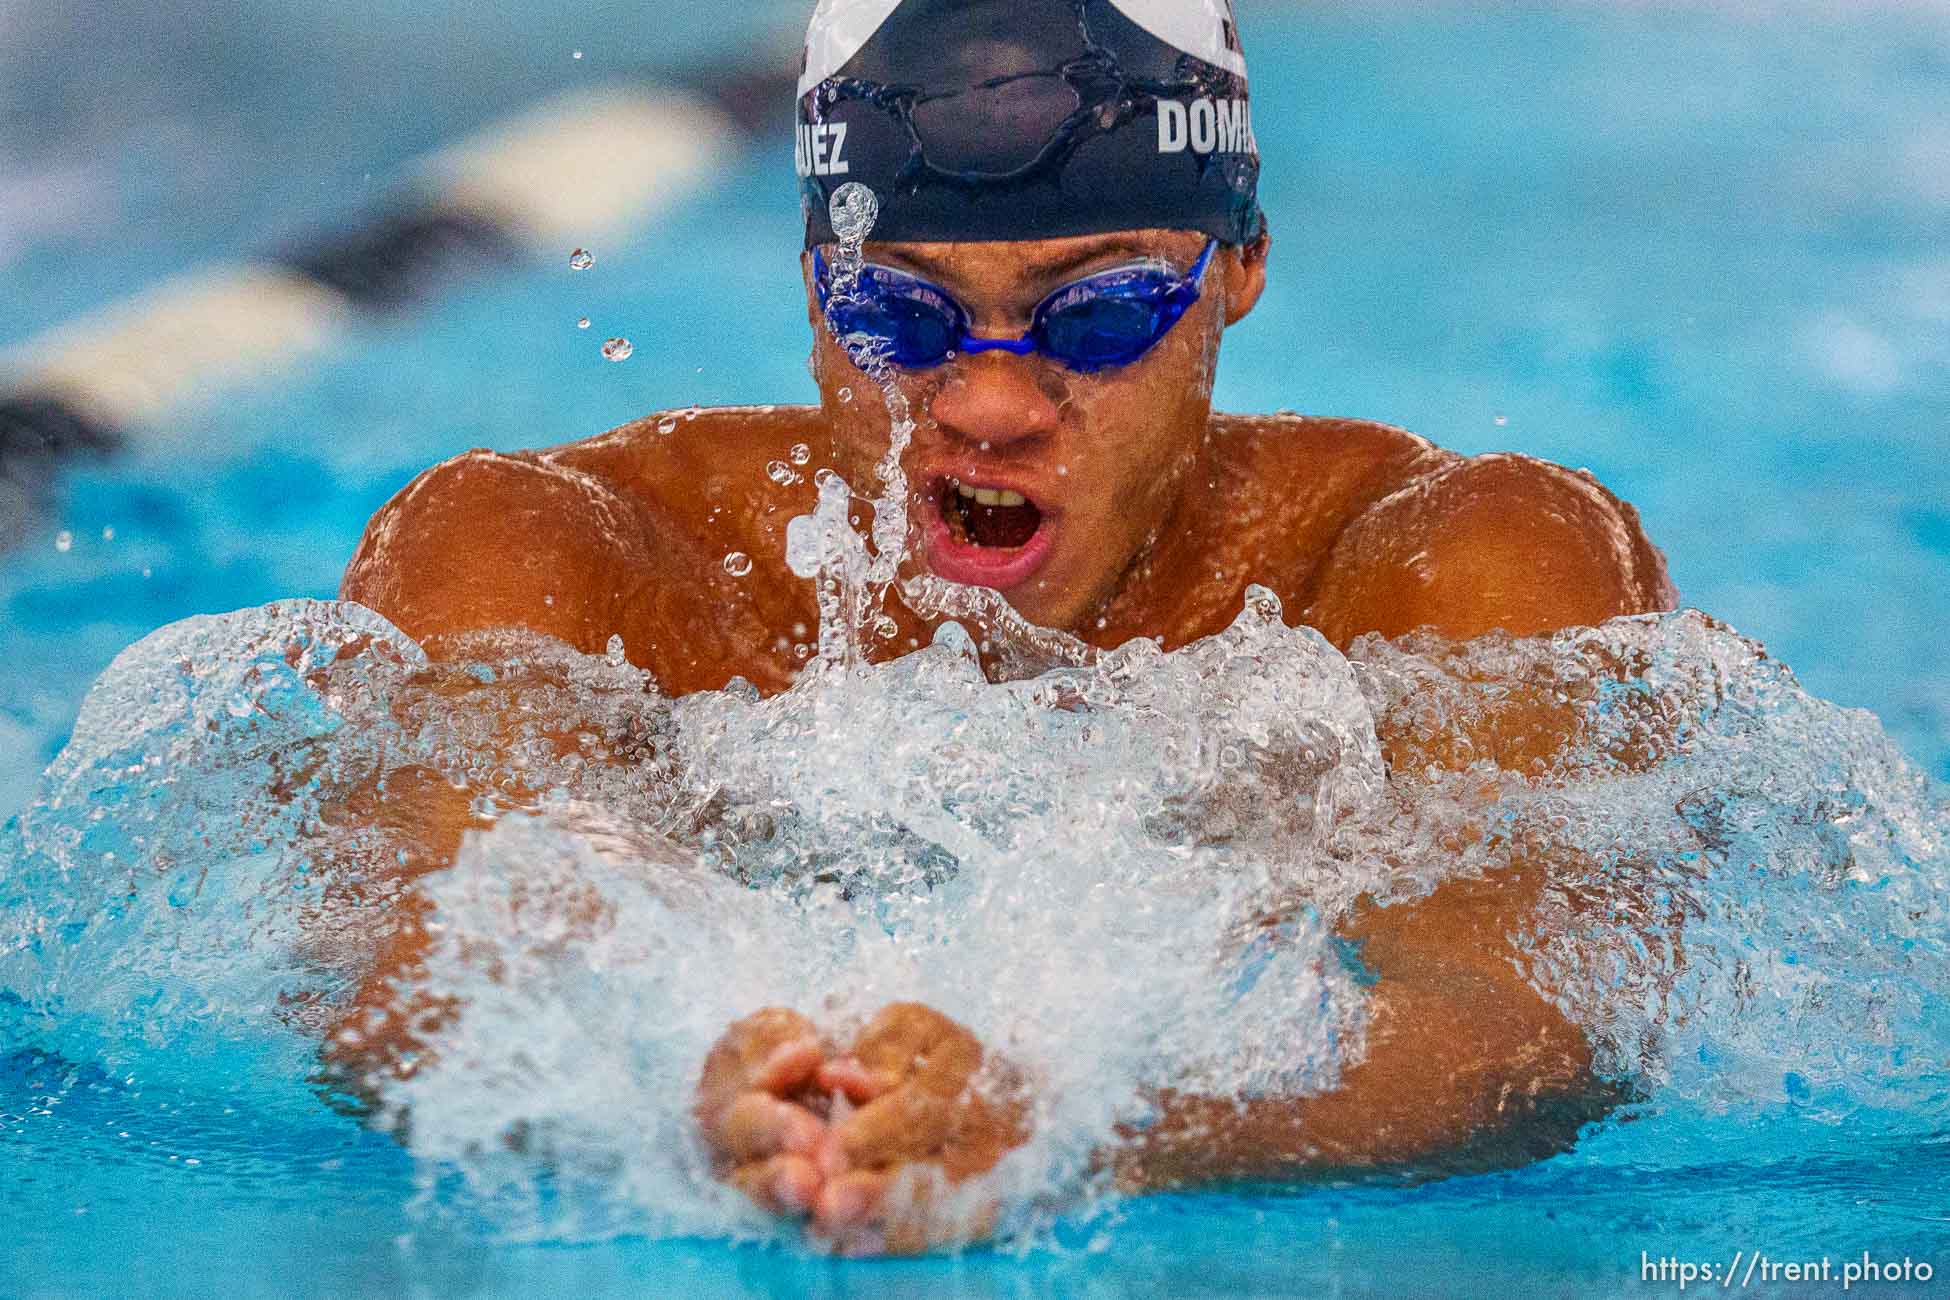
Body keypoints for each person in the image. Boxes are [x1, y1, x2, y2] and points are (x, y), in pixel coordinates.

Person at [334, 0, 1676, 1255]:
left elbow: (1532, 1023)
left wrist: (1101, 1127)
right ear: (814, 289)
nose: (984, 406)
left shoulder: (1452, 564)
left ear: (1241, 268)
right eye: (894, 313)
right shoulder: (548, 554)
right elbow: (394, 979)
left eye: (1095, 315)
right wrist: (649, 1085)